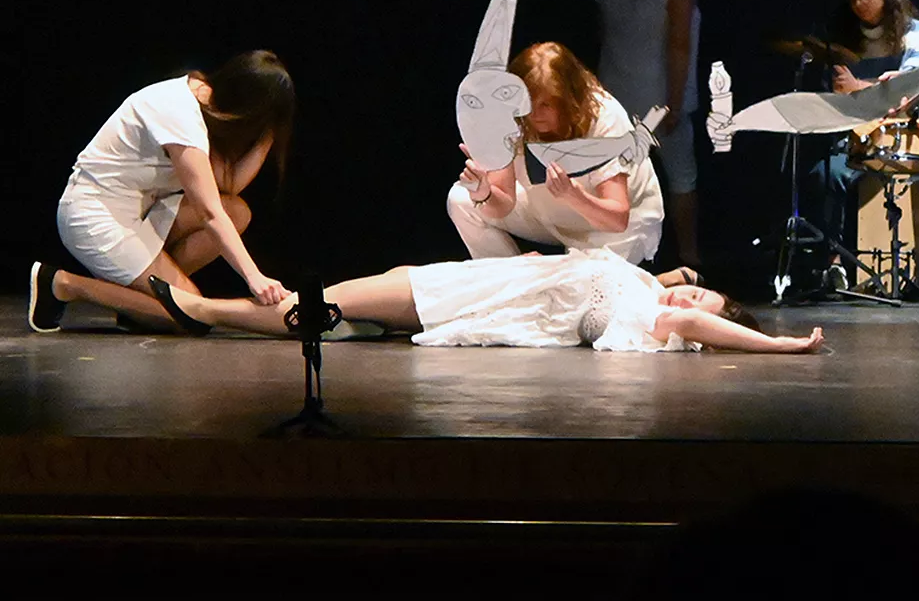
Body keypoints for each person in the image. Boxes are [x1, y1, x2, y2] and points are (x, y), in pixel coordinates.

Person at [30, 50, 296, 333]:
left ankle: (143, 302)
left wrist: (270, 131)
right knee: (193, 314)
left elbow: (228, 186)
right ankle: (63, 285)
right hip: (93, 217)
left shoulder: (203, 97)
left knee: (237, 212)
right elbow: (209, 212)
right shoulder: (180, 116)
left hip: (139, 213)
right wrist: (254, 277)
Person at [144, 248, 824, 353]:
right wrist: (672, 275)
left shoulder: (651, 317)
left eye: (707, 300)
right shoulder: (646, 287)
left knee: (320, 302)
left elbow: (688, 314)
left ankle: (204, 310)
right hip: (471, 280)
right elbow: (678, 287)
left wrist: (778, 343)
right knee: (337, 304)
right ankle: (209, 311)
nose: (692, 291)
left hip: (463, 295)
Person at [811, 0, 919, 285]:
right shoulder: (844, 43)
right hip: (860, 138)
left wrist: (859, 88)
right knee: (828, 175)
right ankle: (836, 261)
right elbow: (837, 94)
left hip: (916, 133)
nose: (857, 3)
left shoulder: (916, 32)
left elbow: (913, 86)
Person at [448, 41, 665, 265]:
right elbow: (503, 205)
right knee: (461, 200)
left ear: (568, 100)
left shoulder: (604, 117)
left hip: (614, 231)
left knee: (577, 291)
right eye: (529, 103)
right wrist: (483, 193)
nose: (535, 114)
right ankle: (514, 286)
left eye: (547, 105)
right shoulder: (512, 115)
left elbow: (617, 219)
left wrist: (573, 195)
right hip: (553, 212)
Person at [593, 0, 702, 266]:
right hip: (657, 95)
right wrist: (672, 100)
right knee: (681, 177)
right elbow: (678, 45)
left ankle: (614, 256)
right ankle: (689, 257)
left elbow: (605, 37)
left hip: (613, 92)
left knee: (615, 177)